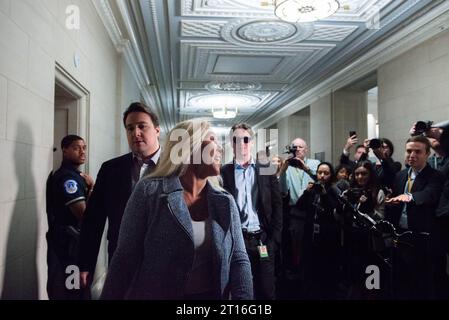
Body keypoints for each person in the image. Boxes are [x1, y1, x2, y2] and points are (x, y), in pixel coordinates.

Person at [100, 119, 253, 299]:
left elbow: (239, 259)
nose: (220, 148)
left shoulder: (225, 202)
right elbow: (125, 258)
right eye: (212, 139)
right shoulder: (149, 192)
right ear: (189, 147)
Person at [78, 102, 161, 289]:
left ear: (157, 130)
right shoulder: (111, 170)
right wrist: (85, 263)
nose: (135, 133)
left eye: (142, 126)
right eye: (130, 128)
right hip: (121, 262)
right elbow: (93, 220)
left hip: (164, 263)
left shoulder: (177, 169)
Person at [221, 123, 282, 300]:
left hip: (263, 239)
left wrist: (275, 240)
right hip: (238, 241)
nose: (241, 144)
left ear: (252, 142)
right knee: (242, 291)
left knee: (267, 289)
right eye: (236, 140)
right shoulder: (224, 172)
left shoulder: (265, 168)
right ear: (231, 144)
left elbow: (278, 205)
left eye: (245, 139)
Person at [386, 135, 444, 299]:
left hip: (423, 238)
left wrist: (410, 197)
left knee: (423, 283)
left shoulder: (436, 176)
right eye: (409, 151)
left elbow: (429, 194)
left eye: (417, 151)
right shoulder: (401, 175)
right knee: (403, 280)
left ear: (427, 154)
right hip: (402, 236)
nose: (412, 155)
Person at [46, 135, 94, 299]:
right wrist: (92, 189)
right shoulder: (68, 178)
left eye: (84, 147)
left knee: (78, 289)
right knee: (72, 290)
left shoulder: (75, 175)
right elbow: (83, 214)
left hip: (72, 242)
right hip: (68, 244)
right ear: (65, 151)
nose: (82, 152)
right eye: (76, 148)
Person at [296, 162, 341, 299]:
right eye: (320, 172)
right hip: (310, 237)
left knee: (325, 274)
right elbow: (299, 206)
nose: (322, 176)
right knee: (309, 272)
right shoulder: (313, 189)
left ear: (331, 175)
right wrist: (307, 192)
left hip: (327, 239)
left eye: (326, 173)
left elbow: (334, 212)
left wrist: (325, 194)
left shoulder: (334, 190)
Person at [279, 138, 319, 278]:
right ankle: (298, 271)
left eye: (300, 147)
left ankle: (310, 271)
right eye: (294, 147)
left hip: (313, 210)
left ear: (306, 149)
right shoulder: (288, 166)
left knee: (312, 243)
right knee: (296, 244)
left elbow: (320, 180)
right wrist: (283, 171)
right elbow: (283, 191)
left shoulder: (315, 163)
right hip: (296, 211)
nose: (297, 150)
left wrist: (305, 168)